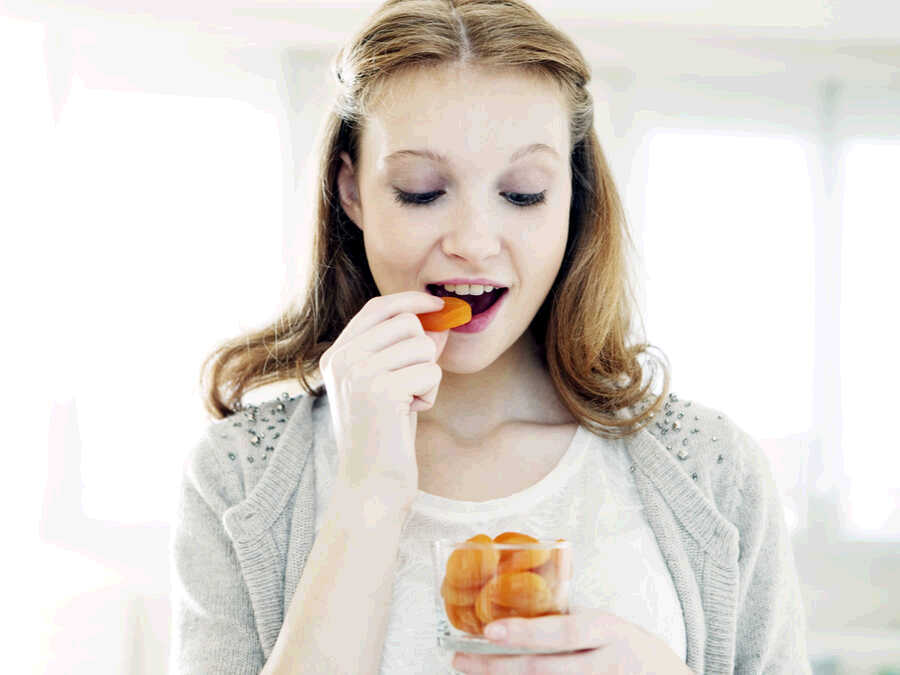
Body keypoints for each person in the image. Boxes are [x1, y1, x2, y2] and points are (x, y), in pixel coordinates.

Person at [170, 0, 812, 673]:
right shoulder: (239, 475)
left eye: (523, 193)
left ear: (574, 196)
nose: (473, 244)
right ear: (352, 191)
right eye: (421, 191)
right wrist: (370, 487)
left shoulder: (712, 471)